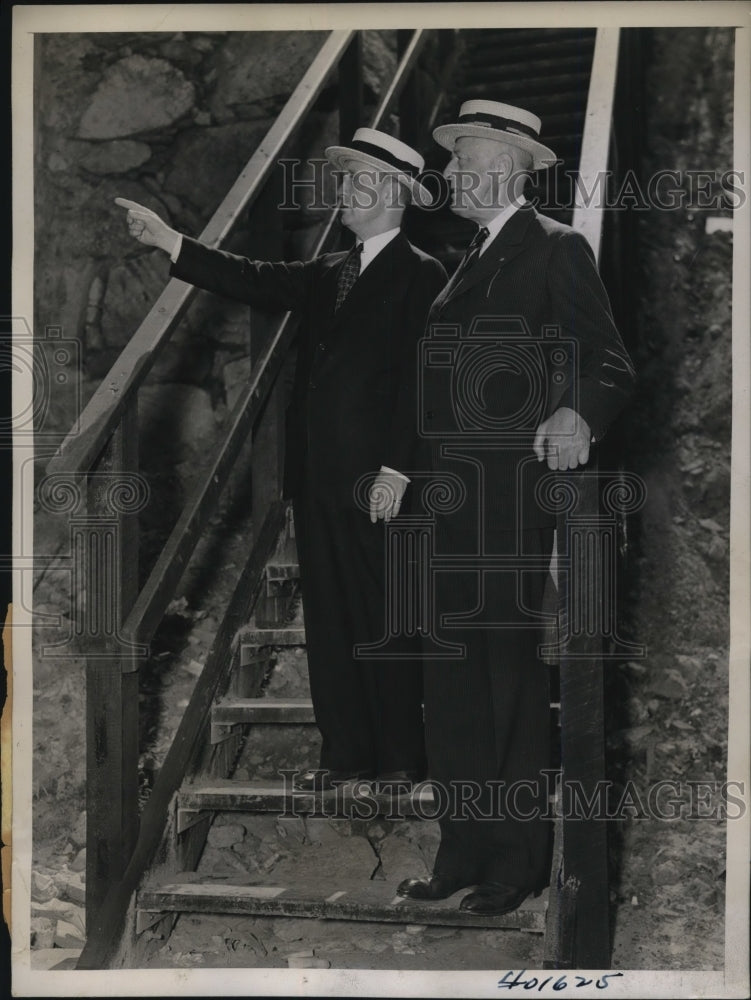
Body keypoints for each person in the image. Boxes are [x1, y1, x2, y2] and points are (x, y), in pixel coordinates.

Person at [116, 128, 447, 793]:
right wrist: (170, 241)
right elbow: (253, 278)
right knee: (328, 618)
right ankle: (345, 755)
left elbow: (426, 380)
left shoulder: (423, 273)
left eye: (357, 182)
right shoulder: (329, 271)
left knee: (383, 616)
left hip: (379, 480)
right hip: (318, 476)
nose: (343, 193)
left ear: (393, 193)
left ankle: (400, 760)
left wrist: (397, 469)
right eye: (344, 180)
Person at [395, 100, 635, 915]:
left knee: (506, 682)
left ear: (505, 167)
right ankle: (459, 850)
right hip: (445, 500)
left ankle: (514, 862)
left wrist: (574, 412)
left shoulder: (554, 246)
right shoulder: (466, 257)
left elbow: (608, 362)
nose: (449, 173)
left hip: (505, 501)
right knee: (450, 686)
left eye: (462, 160)